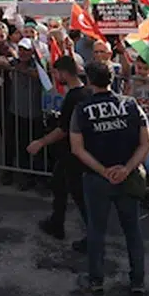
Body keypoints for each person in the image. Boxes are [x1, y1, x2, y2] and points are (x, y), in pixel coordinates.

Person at [69, 61, 149, 296]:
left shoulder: (82, 110)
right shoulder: (131, 105)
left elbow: (77, 148)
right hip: (127, 177)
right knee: (132, 231)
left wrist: (103, 171)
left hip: (97, 179)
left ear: (89, 81)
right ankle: (138, 282)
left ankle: (96, 282)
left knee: (96, 231)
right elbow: (147, 144)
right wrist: (126, 169)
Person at [31, 55, 92, 245]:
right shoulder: (86, 92)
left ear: (64, 73)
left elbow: (63, 130)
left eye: (56, 72)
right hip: (74, 151)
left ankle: (92, 235)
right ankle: (57, 222)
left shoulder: (74, 97)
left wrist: (40, 142)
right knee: (59, 184)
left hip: (73, 152)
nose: (54, 76)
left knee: (78, 193)